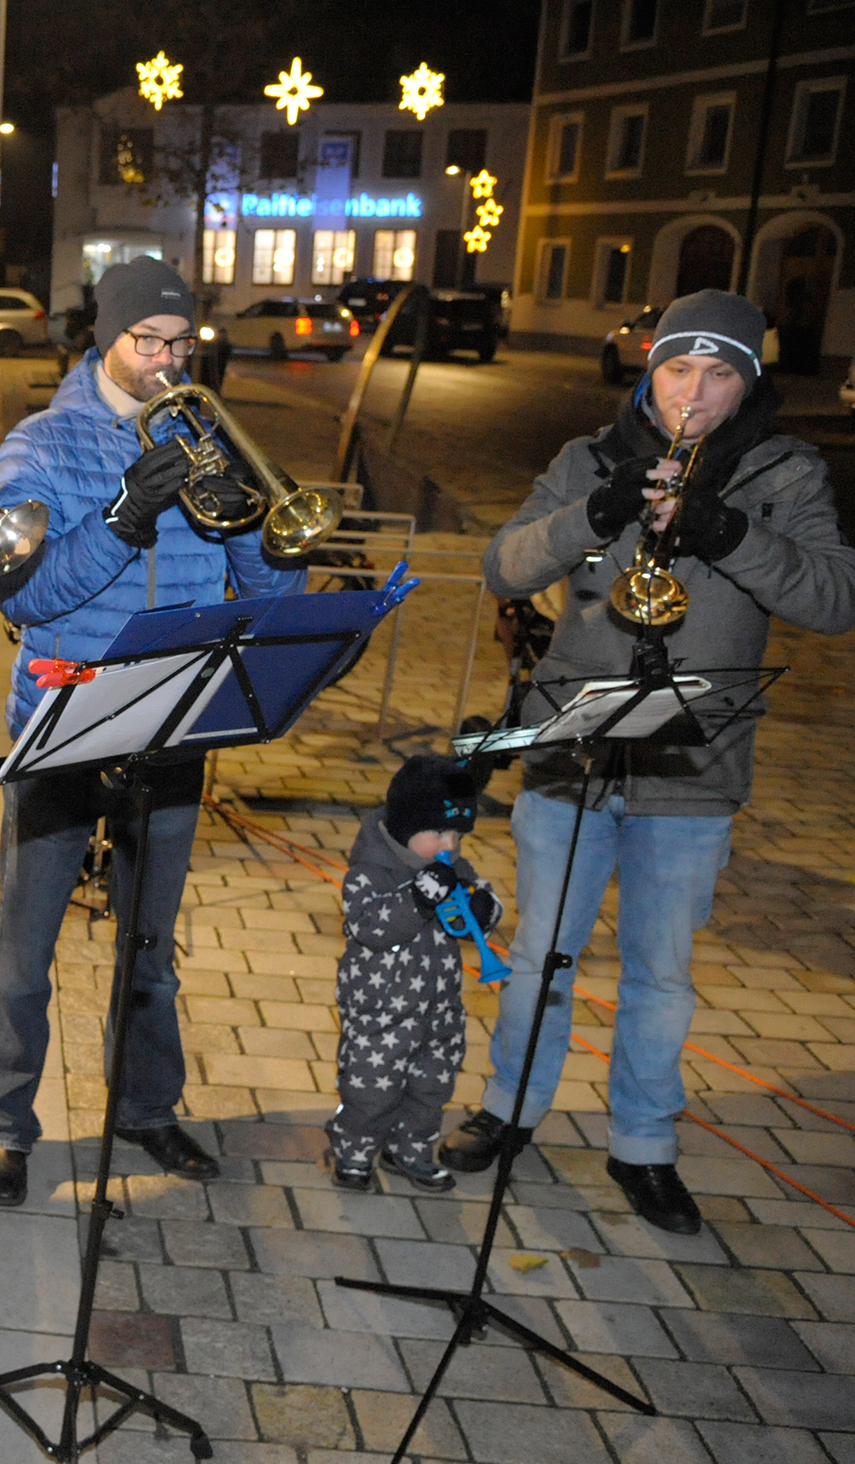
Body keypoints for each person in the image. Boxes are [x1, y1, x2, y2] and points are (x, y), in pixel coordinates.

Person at [459, 289, 855, 1233]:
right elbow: (503, 567)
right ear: (652, 370)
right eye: (679, 369)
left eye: (720, 375)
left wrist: (725, 531)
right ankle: (509, 1111)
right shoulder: (588, 457)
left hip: (692, 770)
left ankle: (644, 1144)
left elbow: (835, 599)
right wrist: (590, 516)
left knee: (661, 975)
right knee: (539, 960)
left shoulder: (784, 470)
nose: (695, 393)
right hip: (573, 750)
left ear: (747, 382)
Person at [0, 257, 307, 1208]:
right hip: (68, 721)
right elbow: (29, 590)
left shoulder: (207, 438)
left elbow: (271, 594)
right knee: (24, 945)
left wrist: (264, 537)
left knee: (150, 944)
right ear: (102, 339)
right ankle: (5, 1124)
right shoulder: (40, 444)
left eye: (181, 344)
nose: (165, 362)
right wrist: (126, 515)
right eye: (145, 342)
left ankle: (149, 1109)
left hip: (174, 723)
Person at [329, 756, 501, 1193]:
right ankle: (354, 1149)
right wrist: (419, 901)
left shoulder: (454, 871)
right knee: (372, 1090)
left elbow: (484, 903)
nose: (450, 845)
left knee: (431, 1088)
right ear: (406, 828)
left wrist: (483, 912)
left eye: (458, 835)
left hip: (439, 1009)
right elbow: (371, 928)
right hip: (379, 1012)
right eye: (439, 833)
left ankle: (411, 1149)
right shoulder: (369, 872)